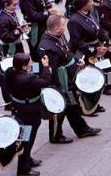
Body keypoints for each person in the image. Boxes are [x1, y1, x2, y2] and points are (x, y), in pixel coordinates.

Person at [37, 13, 99, 143]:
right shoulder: (48, 46)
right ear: (56, 29)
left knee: (72, 105)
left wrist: (76, 60)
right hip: (59, 81)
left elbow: (66, 52)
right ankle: (55, 136)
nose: (65, 27)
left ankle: (82, 129)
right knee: (59, 109)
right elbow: (51, 69)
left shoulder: (59, 36)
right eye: (63, 25)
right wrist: (58, 87)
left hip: (68, 78)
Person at [1, 51, 45, 176]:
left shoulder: (10, 72)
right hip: (29, 112)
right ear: (24, 66)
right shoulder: (27, 79)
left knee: (26, 138)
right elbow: (45, 82)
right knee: (27, 139)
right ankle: (23, 169)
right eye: (30, 62)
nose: (32, 63)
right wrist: (46, 67)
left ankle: (28, 159)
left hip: (19, 108)